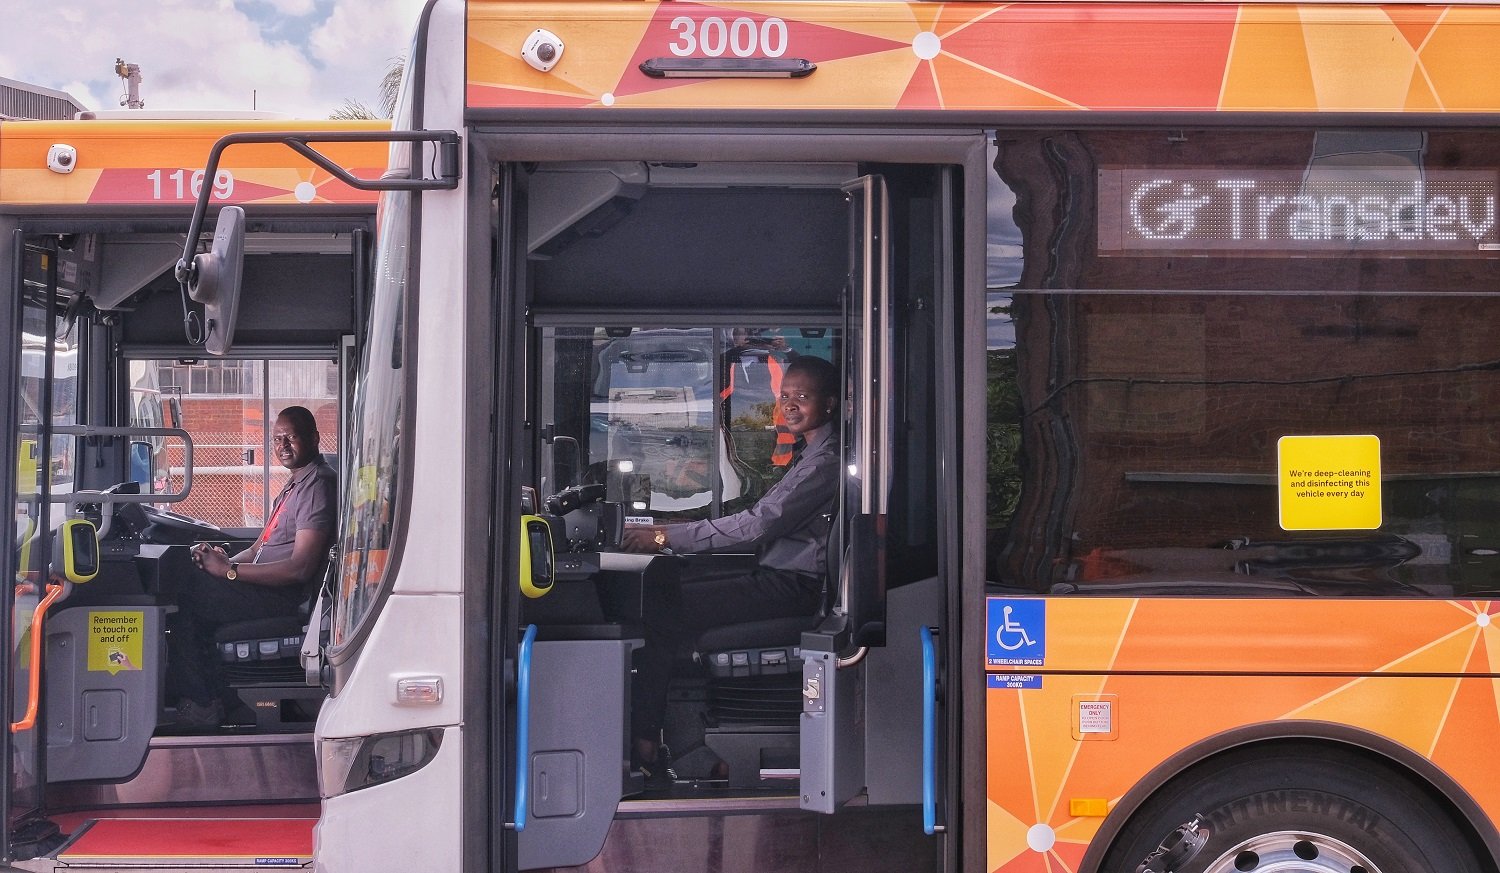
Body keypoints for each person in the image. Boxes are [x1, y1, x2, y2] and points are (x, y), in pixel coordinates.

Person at [620, 355, 841, 787]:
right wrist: (669, 529)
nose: (790, 405)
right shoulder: (812, 454)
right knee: (667, 590)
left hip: (796, 586)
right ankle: (678, 744)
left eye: (803, 397)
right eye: (785, 396)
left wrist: (664, 538)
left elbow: (757, 526)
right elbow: (754, 517)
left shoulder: (825, 464)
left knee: (662, 608)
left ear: (829, 404)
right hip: (780, 575)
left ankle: (647, 740)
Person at [166, 405, 338, 728]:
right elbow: (259, 548)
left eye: (291, 437)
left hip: (283, 596)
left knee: (183, 596)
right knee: (190, 578)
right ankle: (218, 700)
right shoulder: (294, 485)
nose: (283, 445)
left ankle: (202, 704)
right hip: (262, 588)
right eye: (276, 439)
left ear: (314, 438)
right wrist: (223, 562)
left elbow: (299, 568)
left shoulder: (317, 486)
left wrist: (229, 573)